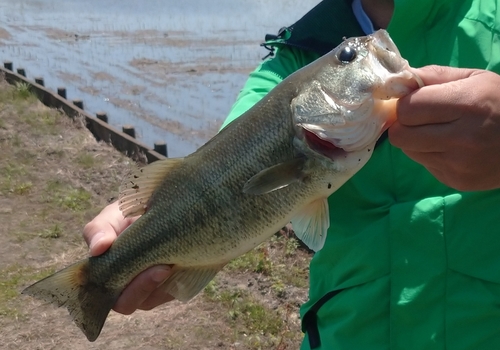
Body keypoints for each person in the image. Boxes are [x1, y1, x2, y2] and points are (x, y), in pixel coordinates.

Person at [83, 0, 500, 348]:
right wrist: (144, 234)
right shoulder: (296, 56)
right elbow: (221, 172)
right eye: (350, 56)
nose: (367, 52)